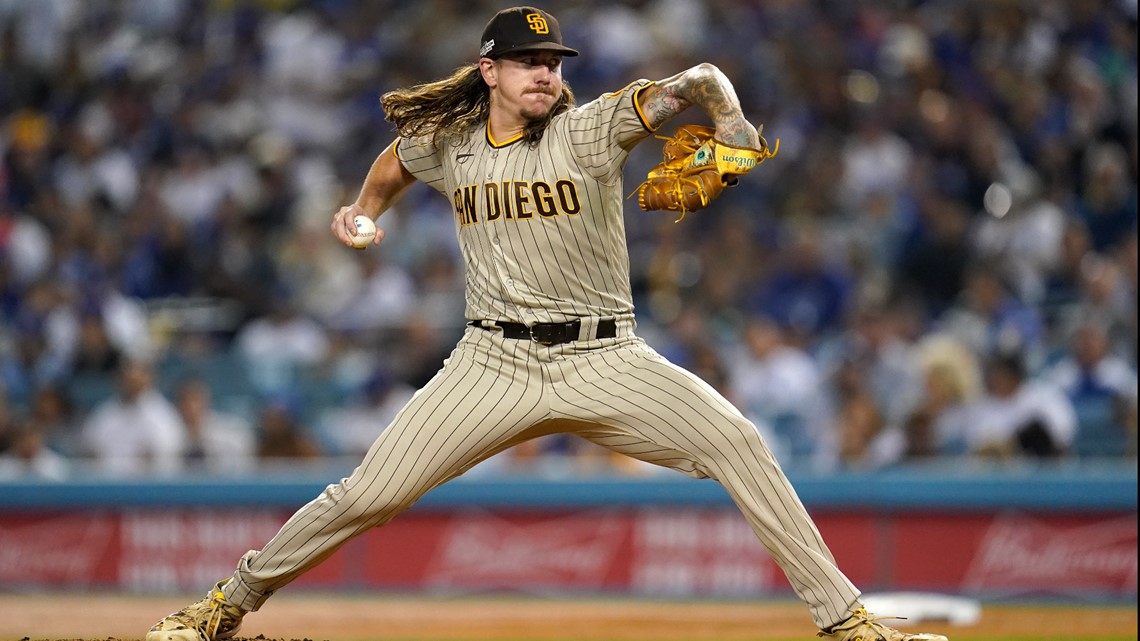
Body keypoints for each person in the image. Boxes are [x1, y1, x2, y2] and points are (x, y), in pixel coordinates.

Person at [147, 8, 948, 641]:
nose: (545, 73)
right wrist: (362, 211)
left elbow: (699, 77)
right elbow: (395, 161)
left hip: (608, 356)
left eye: (554, 62)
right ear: (490, 70)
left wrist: (732, 126)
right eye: (530, 61)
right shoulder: (452, 143)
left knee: (738, 441)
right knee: (366, 494)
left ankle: (848, 621)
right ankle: (222, 605)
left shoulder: (589, 126)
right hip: (491, 362)